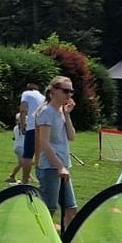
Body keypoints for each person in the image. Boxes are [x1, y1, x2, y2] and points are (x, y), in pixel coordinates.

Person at [33, 77, 78, 227]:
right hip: (50, 167)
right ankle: (39, 238)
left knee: (71, 209)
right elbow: (44, 142)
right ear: (53, 92)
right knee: (49, 209)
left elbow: (71, 137)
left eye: (71, 91)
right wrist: (59, 167)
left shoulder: (60, 111)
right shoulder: (46, 112)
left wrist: (67, 114)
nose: (69, 94)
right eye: (66, 91)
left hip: (62, 166)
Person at [11, 81, 45, 185]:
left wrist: (22, 125)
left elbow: (23, 110)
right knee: (40, 156)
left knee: (27, 156)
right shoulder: (43, 97)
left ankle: (24, 181)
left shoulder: (26, 94)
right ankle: (42, 181)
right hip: (43, 128)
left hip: (32, 127)